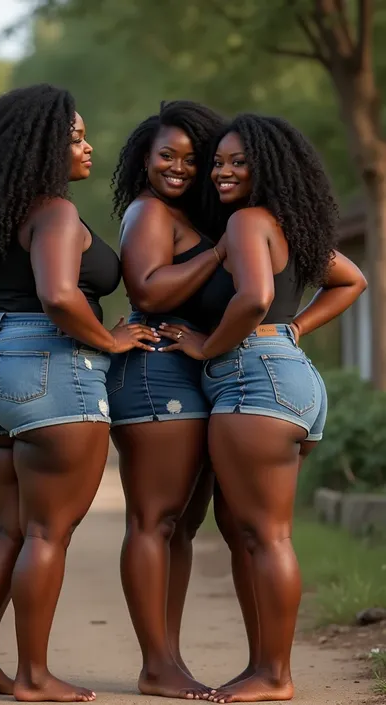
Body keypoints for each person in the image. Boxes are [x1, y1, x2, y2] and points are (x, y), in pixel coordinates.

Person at [0, 83, 158, 703]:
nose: (87, 146)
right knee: (47, 532)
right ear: (42, 147)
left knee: (11, 527)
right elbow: (57, 295)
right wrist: (107, 340)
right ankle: (33, 675)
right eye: (74, 137)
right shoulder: (54, 212)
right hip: (55, 371)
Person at [158, 113, 367, 703]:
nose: (222, 172)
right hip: (288, 379)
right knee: (254, 534)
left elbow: (254, 298)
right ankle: (263, 669)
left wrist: (205, 345)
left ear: (266, 168)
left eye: (237, 162)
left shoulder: (249, 222)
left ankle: (275, 675)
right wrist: (296, 329)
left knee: (265, 536)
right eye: (219, 161)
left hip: (254, 381)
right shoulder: (287, 225)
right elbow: (351, 280)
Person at [107, 100, 226, 700]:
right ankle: (155, 663)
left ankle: (168, 658)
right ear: (145, 160)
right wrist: (221, 252)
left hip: (190, 378)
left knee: (180, 526)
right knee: (154, 521)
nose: (178, 167)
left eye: (191, 158)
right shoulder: (149, 211)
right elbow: (148, 291)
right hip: (156, 374)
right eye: (166, 155)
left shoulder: (193, 217)